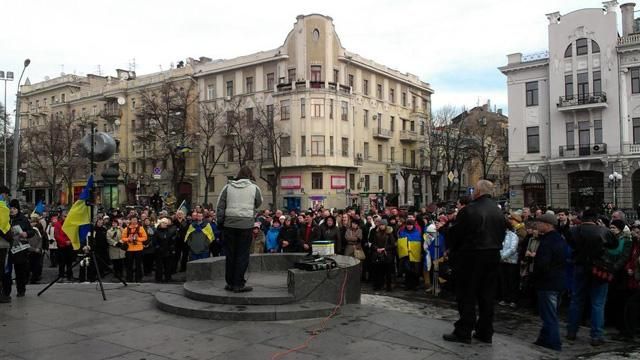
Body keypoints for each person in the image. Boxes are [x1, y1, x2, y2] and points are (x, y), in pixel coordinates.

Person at [444, 180, 506, 345]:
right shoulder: (498, 211)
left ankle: (464, 330)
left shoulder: (469, 210)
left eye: (473, 190)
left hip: (471, 257)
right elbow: (502, 235)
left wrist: (449, 234)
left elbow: (455, 235)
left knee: (466, 295)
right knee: (487, 296)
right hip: (493, 256)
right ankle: (485, 331)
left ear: (477, 191)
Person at [565, 208, 617, 347]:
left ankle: (571, 331)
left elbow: (570, 242)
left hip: (580, 266)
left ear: (582, 218)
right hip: (598, 268)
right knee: (598, 303)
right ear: (596, 219)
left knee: (576, 300)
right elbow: (614, 244)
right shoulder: (602, 231)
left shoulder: (574, 230)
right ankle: (596, 335)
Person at [216, 166, 263, 293]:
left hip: (229, 225)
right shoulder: (254, 188)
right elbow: (259, 202)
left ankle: (230, 283)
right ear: (249, 175)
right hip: (246, 226)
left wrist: (220, 223)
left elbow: (220, 206)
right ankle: (239, 284)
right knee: (242, 255)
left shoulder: (228, 187)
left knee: (230, 255)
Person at [531, 213, 567, 351]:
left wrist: (536, 277)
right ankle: (543, 339)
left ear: (547, 225)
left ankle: (554, 343)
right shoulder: (559, 239)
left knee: (549, 315)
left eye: (539, 223)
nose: (537, 225)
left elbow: (542, 264)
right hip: (558, 281)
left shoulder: (547, 242)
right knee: (549, 312)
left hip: (548, 283)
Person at [498, 218, 520, 309]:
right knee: (504, 280)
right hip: (502, 262)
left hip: (511, 262)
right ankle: (505, 298)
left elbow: (512, 249)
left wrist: (502, 256)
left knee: (512, 281)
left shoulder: (513, 236)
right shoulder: (499, 235)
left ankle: (513, 300)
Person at [397, 219, 422, 290]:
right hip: (406, 254)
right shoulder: (402, 232)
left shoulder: (417, 233)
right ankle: (407, 285)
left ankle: (414, 285)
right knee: (407, 271)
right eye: (408, 225)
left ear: (413, 225)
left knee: (414, 271)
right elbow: (400, 243)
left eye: (410, 225)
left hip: (415, 254)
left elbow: (419, 243)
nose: (409, 226)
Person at [370, 219, 395, 291]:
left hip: (387, 255)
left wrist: (384, 248)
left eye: (383, 225)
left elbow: (393, 244)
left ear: (386, 225)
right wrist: (377, 249)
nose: (381, 226)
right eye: (380, 225)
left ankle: (388, 286)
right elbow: (373, 244)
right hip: (378, 254)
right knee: (378, 271)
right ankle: (378, 285)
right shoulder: (376, 233)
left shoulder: (389, 233)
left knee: (388, 272)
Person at [122, 214, 147, 283]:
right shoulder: (126, 229)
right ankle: (129, 278)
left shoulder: (141, 228)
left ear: (137, 220)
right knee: (129, 264)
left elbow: (145, 237)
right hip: (129, 249)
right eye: (132, 220)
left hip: (138, 249)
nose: (134, 221)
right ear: (130, 220)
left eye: (135, 220)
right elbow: (123, 238)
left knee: (138, 264)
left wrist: (137, 238)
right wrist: (128, 239)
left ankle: (138, 278)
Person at [152, 217, 176, 282]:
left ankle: (168, 278)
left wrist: (171, 248)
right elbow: (154, 241)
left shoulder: (169, 231)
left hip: (167, 251)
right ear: (160, 223)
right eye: (163, 223)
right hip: (159, 252)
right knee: (159, 266)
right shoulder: (156, 231)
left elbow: (171, 241)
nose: (164, 224)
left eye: (166, 223)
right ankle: (159, 279)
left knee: (167, 266)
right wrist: (158, 248)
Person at [54, 212, 74, 282]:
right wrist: (65, 242)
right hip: (61, 246)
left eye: (67, 216)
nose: (66, 217)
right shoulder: (57, 224)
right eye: (65, 216)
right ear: (61, 216)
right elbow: (57, 236)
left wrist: (70, 241)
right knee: (61, 263)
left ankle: (70, 275)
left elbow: (73, 233)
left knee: (69, 262)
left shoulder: (71, 224)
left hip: (69, 245)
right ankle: (61, 276)